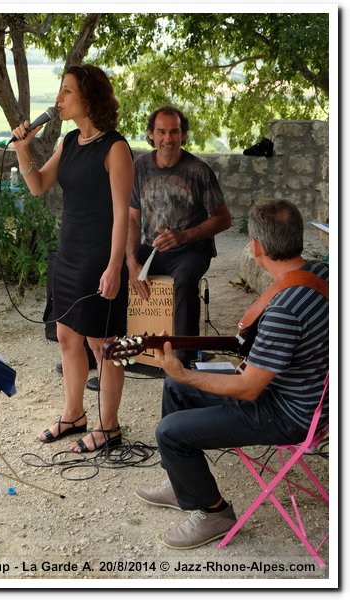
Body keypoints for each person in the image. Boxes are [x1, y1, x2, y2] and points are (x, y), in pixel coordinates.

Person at [136, 199, 329, 549]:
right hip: (314, 397)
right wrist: (180, 376)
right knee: (173, 387)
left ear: (256, 247)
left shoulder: (284, 309)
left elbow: (249, 388)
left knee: (170, 430)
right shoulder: (323, 273)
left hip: (293, 413)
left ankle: (216, 514)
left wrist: (184, 371)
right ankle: (182, 484)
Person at [11, 64, 134, 452]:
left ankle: (109, 425)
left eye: (66, 92)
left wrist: (115, 266)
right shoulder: (69, 141)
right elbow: (37, 186)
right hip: (68, 255)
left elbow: (122, 213)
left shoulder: (115, 147)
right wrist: (22, 149)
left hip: (99, 258)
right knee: (67, 336)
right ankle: (74, 414)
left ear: (88, 98)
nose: (58, 100)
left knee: (104, 343)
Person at [126, 105, 231, 367]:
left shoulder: (199, 171)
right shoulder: (139, 167)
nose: (168, 139)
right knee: (112, 266)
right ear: (150, 134)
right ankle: (119, 348)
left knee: (185, 280)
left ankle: (184, 360)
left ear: (184, 135)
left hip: (192, 250)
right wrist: (130, 260)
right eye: (161, 132)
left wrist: (183, 237)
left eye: (174, 132)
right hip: (152, 249)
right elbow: (131, 218)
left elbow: (223, 219)